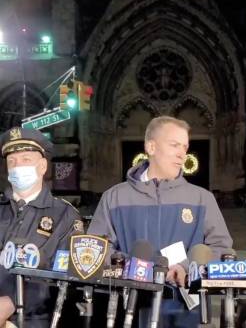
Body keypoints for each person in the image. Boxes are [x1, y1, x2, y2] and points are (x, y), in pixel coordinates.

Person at [88, 116, 233, 327]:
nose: (182, 153)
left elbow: (222, 250)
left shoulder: (202, 199)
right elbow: (96, 249)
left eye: (185, 147)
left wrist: (187, 268)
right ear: (151, 147)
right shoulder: (114, 197)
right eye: (174, 145)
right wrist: (133, 267)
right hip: (129, 307)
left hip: (184, 309)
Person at [0, 127, 83, 328]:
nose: (17, 166)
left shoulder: (65, 216)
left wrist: (12, 301)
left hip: (35, 320)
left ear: (43, 166)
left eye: (26, 159)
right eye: (12, 161)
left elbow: (69, 278)